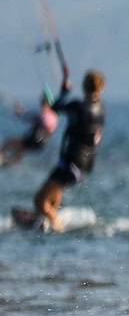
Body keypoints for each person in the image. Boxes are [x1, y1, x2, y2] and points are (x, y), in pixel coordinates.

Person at [21, 67, 104, 230]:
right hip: (85, 163)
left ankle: (56, 227)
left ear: (84, 86)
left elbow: (54, 108)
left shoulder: (77, 106)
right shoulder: (101, 110)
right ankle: (46, 219)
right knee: (53, 197)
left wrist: (64, 92)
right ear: (101, 88)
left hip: (71, 161)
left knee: (40, 201)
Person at [0, 89, 58, 168]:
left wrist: (20, 112)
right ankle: (10, 164)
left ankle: (1, 161)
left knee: (7, 142)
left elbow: (28, 117)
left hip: (34, 139)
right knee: (21, 149)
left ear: (46, 103)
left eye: (42, 101)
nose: (41, 103)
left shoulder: (44, 114)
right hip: (42, 144)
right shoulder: (55, 116)